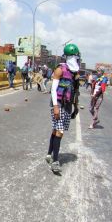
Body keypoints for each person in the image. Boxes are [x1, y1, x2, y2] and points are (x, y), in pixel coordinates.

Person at [45, 43, 81, 174]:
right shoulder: (60, 69)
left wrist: (75, 107)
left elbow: (75, 91)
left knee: (56, 130)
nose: (76, 58)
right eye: (75, 56)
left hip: (67, 105)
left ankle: (49, 155)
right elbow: (54, 90)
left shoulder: (75, 73)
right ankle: (55, 161)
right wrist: (55, 106)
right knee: (60, 131)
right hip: (58, 103)